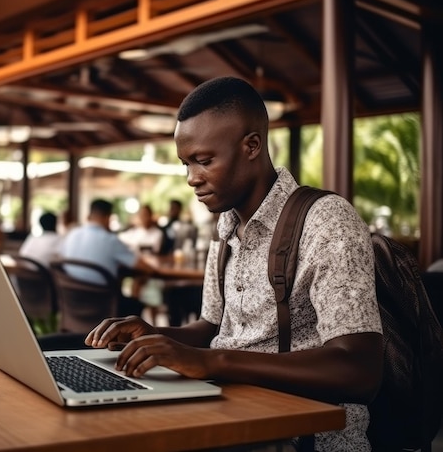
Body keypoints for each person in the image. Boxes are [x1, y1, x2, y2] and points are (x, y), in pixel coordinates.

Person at [85, 77, 383, 451]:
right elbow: (213, 327)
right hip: (232, 415)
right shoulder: (226, 226)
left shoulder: (326, 221)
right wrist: (153, 335)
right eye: (186, 163)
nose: (192, 178)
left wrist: (214, 362)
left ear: (252, 146)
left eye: (204, 160)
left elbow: (359, 370)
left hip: (300, 437)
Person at [59, 198, 154, 318]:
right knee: (135, 304)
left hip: (72, 304)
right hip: (104, 307)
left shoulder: (71, 235)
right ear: (108, 217)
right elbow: (145, 268)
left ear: (89, 215)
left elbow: (59, 261)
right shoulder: (110, 240)